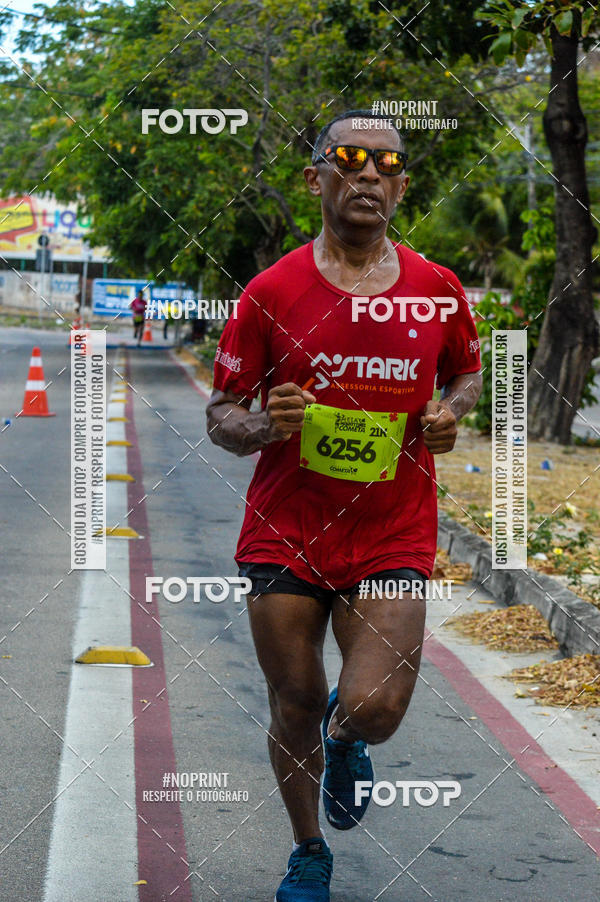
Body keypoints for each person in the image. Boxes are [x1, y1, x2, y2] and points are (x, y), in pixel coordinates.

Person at [206, 109, 482, 902]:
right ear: (316, 177)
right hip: (285, 530)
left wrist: (450, 412)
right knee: (291, 702)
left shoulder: (436, 289)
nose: (369, 175)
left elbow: (466, 371)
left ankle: (348, 732)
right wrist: (261, 423)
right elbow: (223, 412)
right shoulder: (271, 290)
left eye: (386, 165)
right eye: (350, 160)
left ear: (401, 185)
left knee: (378, 706)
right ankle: (307, 852)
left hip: (391, 528)